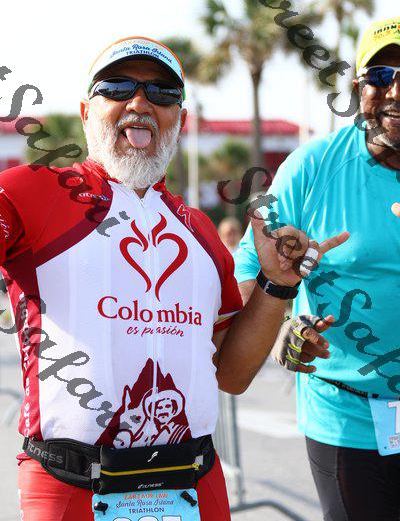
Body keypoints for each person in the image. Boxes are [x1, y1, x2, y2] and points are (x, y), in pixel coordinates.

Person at [0, 36, 346, 521]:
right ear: (85, 111)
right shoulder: (32, 191)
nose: (140, 103)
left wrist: (277, 284)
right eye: (117, 88)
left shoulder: (200, 230)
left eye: (162, 93)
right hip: (71, 487)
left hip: (193, 485)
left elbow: (232, 374)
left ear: (179, 120)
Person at [234, 17, 400, 521]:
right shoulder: (313, 167)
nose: (395, 91)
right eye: (380, 76)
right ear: (359, 88)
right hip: (348, 415)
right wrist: (282, 326)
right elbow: (249, 272)